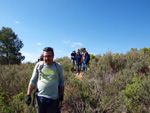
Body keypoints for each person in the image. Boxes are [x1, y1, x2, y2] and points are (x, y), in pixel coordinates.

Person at [25, 47, 65, 113]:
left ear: (53, 56)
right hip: (40, 98)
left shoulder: (58, 66)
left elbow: (61, 81)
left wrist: (62, 94)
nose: (47, 58)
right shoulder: (39, 66)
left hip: (53, 99)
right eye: (45, 56)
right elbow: (33, 81)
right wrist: (28, 95)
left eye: (49, 56)